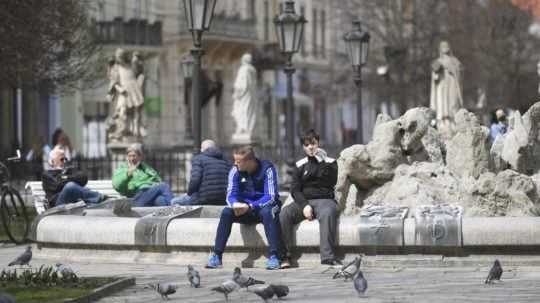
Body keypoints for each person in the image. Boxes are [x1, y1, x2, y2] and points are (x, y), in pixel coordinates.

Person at [206, 145, 281, 270]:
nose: (235, 164)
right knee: (226, 212)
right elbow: (231, 194)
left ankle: (274, 256)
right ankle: (217, 256)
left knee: (269, 212)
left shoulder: (267, 169)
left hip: (263, 207)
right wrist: (235, 205)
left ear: (250, 161)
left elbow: (271, 196)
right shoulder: (235, 170)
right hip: (244, 209)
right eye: (234, 160)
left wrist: (251, 206)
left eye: (238, 161)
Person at [280, 129, 341, 268]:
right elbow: (295, 189)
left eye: (313, 143)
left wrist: (321, 162)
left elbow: (331, 182)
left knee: (328, 213)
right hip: (304, 200)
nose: (311, 147)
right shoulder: (300, 165)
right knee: (284, 214)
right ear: (303, 147)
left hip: (324, 199)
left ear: (318, 143)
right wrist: (305, 205)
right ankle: (285, 257)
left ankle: (327, 257)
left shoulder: (330, 162)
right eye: (307, 145)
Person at [171, 139, 231, 206]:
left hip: (203, 199)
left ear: (202, 149)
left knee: (174, 201)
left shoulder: (199, 159)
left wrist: (189, 193)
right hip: (223, 199)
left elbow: (195, 180)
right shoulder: (225, 160)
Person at [42, 147, 107, 207]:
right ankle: (100, 198)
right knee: (70, 186)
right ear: (53, 161)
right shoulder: (47, 174)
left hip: (74, 201)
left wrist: (66, 177)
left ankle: (99, 204)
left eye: (65, 159)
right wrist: (72, 179)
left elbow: (84, 178)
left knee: (74, 186)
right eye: (61, 159)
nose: (64, 161)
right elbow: (57, 184)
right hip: (58, 203)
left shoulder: (69, 170)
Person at [430, 41, 463, 133]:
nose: (445, 48)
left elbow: (460, 71)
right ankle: (444, 124)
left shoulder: (455, 61)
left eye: (446, 46)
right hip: (442, 86)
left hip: (452, 85)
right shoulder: (438, 62)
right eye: (443, 46)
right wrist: (436, 73)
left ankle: (453, 123)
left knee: (453, 103)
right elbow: (434, 78)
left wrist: (454, 70)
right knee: (443, 105)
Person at [231, 53, 257, 140]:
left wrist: (237, 93)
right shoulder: (252, 69)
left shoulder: (244, 69)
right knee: (249, 110)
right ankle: (248, 128)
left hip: (244, 95)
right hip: (251, 94)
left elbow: (243, 83)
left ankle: (243, 128)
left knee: (241, 110)